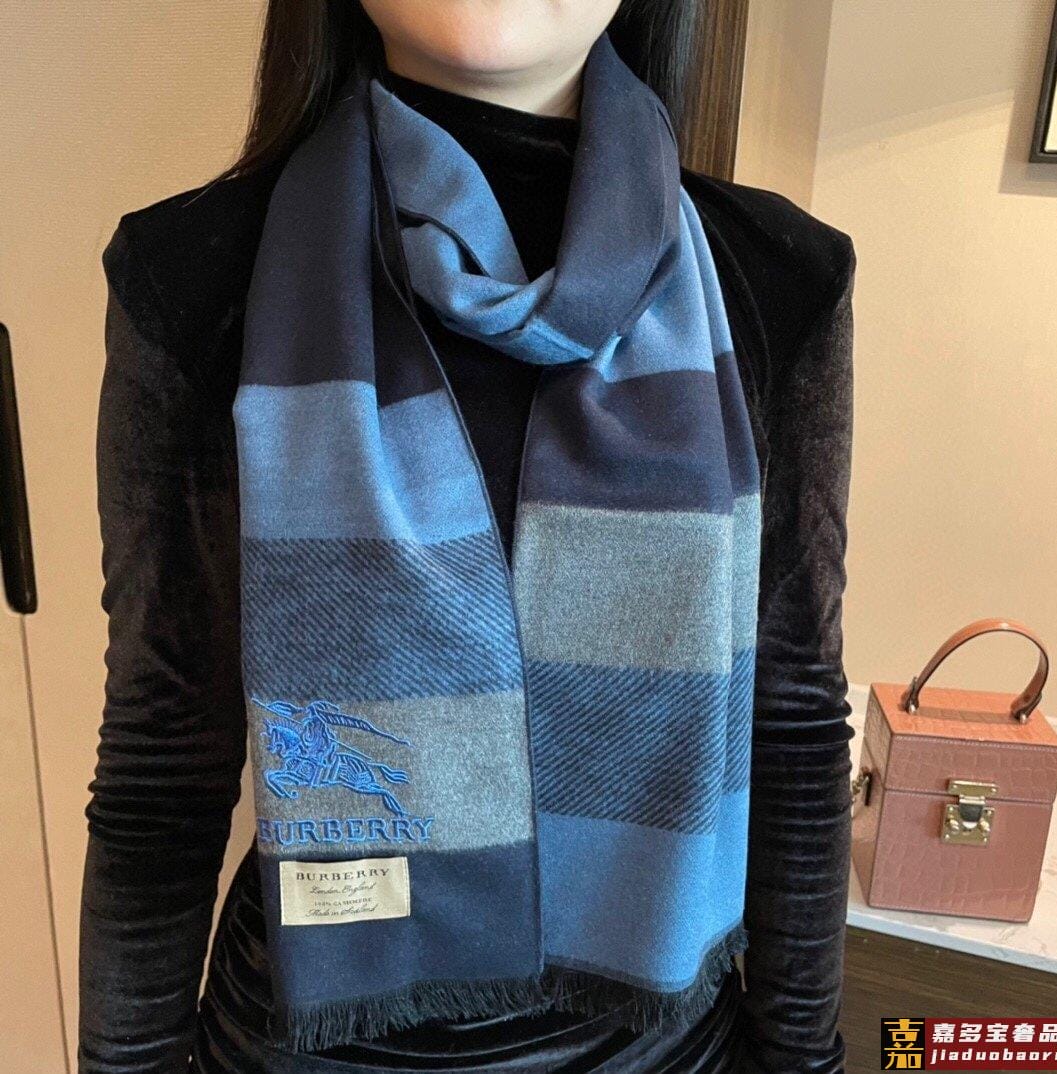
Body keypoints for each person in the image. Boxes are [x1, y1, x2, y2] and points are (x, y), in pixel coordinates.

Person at [79, 3, 856, 1073]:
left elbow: (796, 726)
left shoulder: (779, 277)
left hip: (667, 1052)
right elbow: (164, 760)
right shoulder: (193, 277)